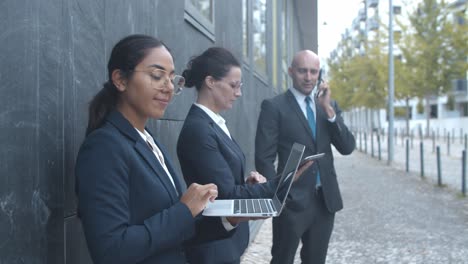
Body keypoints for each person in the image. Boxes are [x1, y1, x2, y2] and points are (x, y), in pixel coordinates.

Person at [75, 35, 238, 264]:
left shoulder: (148, 140)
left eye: (172, 79)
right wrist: (183, 210)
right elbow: (111, 250)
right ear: (120, 80)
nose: (168, 87)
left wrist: (228, 219)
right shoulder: (103, 148)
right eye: (156, 75)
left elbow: (173, 233)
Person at [176, 47, 312, 264]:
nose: (238, 93)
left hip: (225, 241)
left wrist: (248, 184)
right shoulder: (199, 130)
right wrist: (283, 181)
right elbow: (227, 194)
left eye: (240, 85)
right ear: (210, 82)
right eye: (233, 85)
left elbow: (224, 182)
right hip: (212, 249)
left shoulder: (214, 124)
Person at [255, 50, 356, 264]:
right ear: (291, 72)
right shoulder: (274, 107)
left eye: (314, 71)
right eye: (302, 71)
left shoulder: (327, 107)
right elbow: (264, 157)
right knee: (282, 260)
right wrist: (279, 196)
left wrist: (328, 110)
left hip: (325, 201)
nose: (309, 77)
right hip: (290, 204)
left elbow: (347, 147)